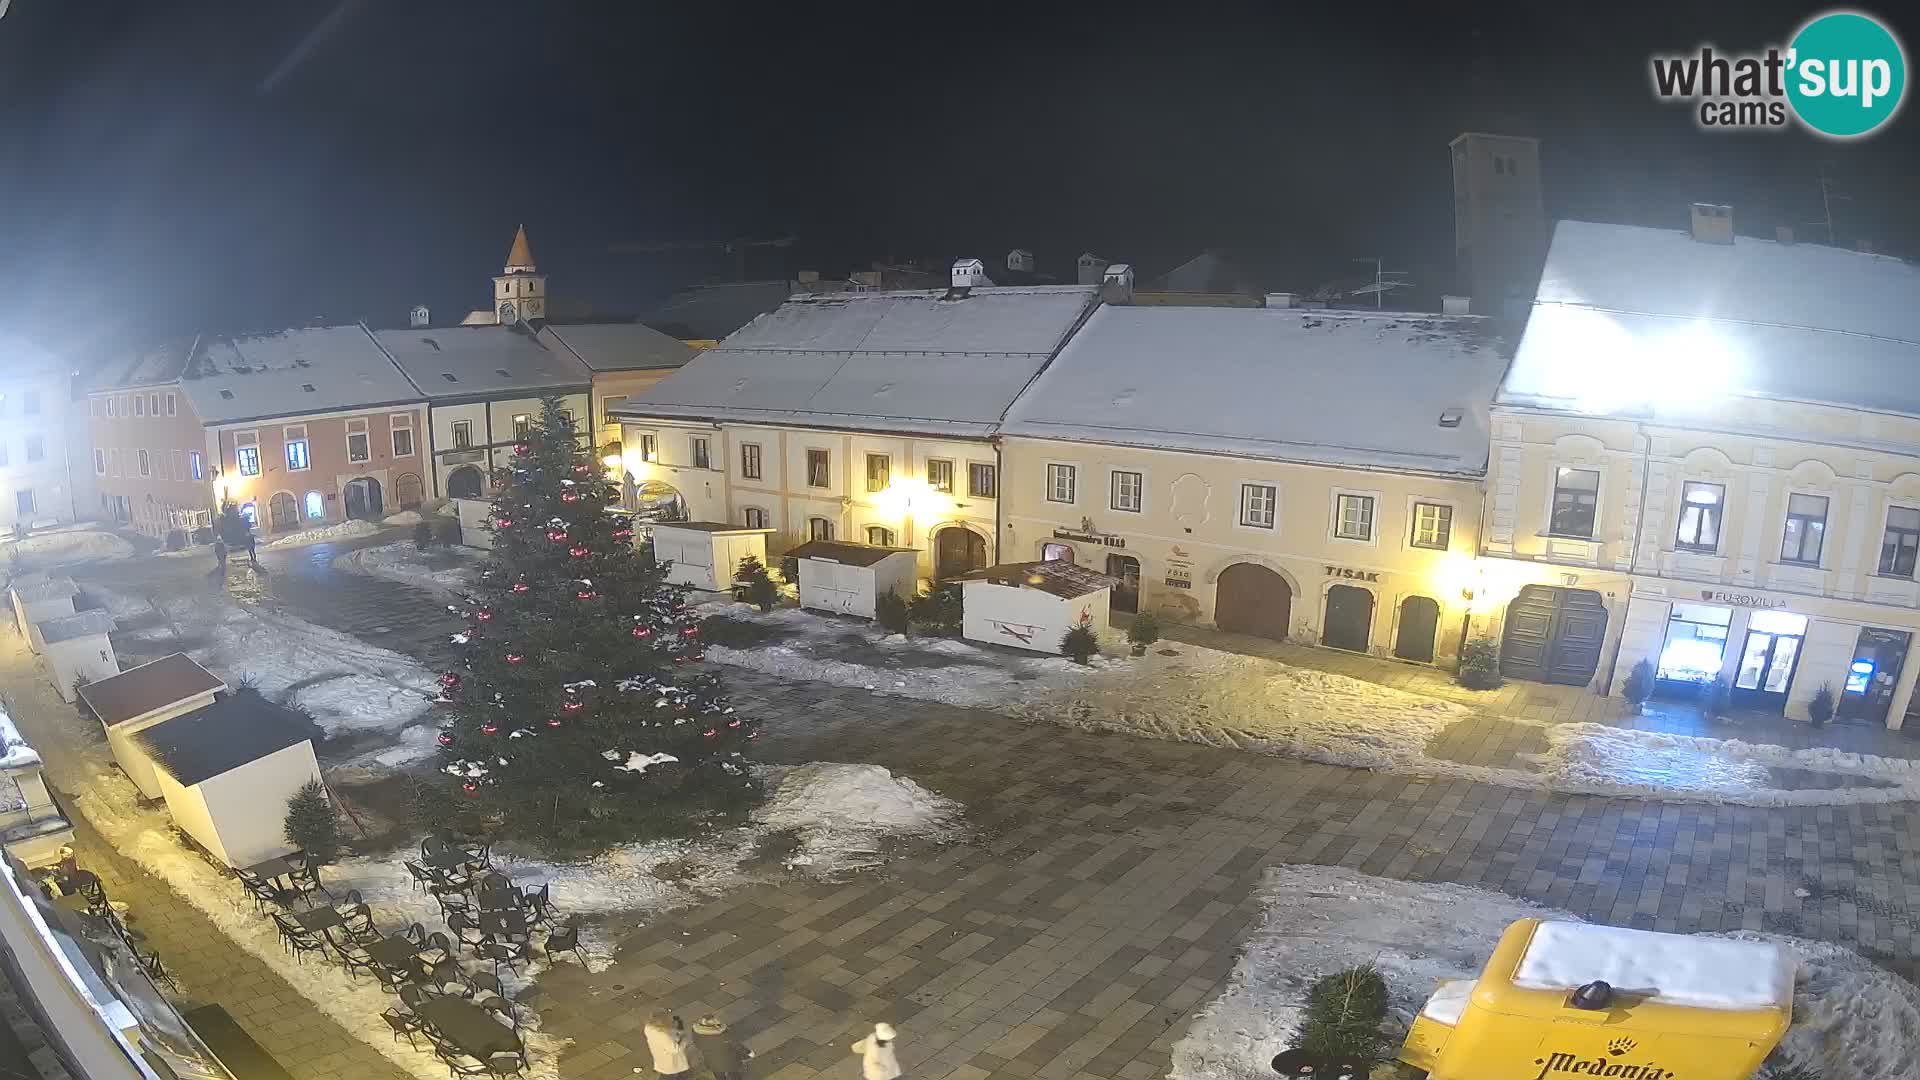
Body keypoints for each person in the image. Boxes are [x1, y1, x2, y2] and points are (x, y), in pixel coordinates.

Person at [692, 1014, 748, 1080]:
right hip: (728, 1058)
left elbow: (697, 1045)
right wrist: (748, 1052)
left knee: (719, 1075)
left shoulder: (697, 1031)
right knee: (734, 1073)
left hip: (712, 1060)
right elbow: (734, 1043)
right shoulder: (722, 1033)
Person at [644, 1009, 691, 1079]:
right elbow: (675, 1049)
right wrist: (684, 1039)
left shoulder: (649, 1028)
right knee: (669, 1073)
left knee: (666, 1070)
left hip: (659, 1054)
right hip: (670, 1059)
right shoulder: (664, 1035)